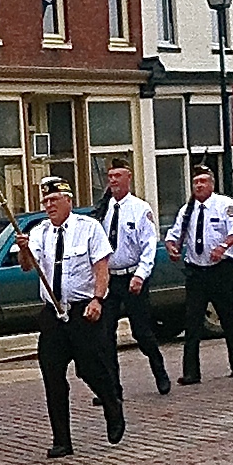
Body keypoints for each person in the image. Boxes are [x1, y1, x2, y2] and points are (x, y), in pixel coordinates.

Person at [16, 177, 125, 458]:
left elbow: (101, 267)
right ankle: (61, 439)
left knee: (89, 368)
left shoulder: (88, 228)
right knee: (52, 375)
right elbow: (27, 267)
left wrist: (98, 299)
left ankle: (112, 405)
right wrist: (24, 250)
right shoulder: (39, 232)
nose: (49, 206)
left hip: (83, 309)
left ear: (68, 200)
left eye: (54, 200)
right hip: (53, 312)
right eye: (45, 201)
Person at [164, 163, 233, 383]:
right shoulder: (187, 210)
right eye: (195, 182)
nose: (199, 186)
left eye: (203, 181)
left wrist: (223, 246)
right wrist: (172, 247)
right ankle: (191, 372)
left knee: (229, 318)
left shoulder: (225, 205)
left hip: (221, 270)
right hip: (196, 271)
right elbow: (174, 235)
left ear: (212, 184)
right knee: (192, 322)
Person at [93, 158, 171, 396]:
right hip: (110, 280)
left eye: (118, 176)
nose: (113, 181)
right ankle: (112, 389)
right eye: (110, 177)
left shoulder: (140, 209)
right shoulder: (103, 209)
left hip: (132, 277)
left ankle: (160, 372)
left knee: (142, 332)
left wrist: (140, 275)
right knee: (105, 335)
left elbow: (148, 246)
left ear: (128, 177)